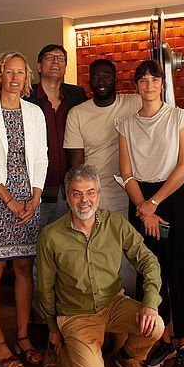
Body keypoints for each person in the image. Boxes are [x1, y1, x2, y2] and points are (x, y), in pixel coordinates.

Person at [36, 165, 164, 367]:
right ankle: (65, 353)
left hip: (113, 304)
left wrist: (150, 303)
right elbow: (45, 288)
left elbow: (149, 261)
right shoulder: (51, 236)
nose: (84, 200)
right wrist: (54, 329)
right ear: (67, 196)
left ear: (99, 195)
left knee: (156, 325)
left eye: (91, 192)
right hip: (76, 315)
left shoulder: (115, 223)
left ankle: (128, 357)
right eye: (77, 193)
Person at [116, 60, 184, 367]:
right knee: (150, 273)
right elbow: (126, 173)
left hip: (176, 198)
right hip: (141, 199)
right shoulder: (125, 124)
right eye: (143, 80)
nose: (149, 84)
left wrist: (154, 203)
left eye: (154, 79)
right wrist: (143, 206)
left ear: (161, 84)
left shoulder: (179, 117)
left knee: (183, 273)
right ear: (136, 86)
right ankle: (161, 339)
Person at [0, 50, 48, 367]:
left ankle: (23, 336)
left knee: (23, 270)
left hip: (28, 202)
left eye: (21, 73)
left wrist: (35, 198)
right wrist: (9, 199)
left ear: (27, 78)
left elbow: (41, 156)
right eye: (9, 72)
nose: (15, 78)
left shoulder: (34, 113)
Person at [64, 58, 142, 294]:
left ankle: (125, 315)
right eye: (96, 76)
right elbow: (76, 167)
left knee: (127, 258)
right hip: (94, 197)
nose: (101, 81)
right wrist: (80, 200)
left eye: (107, 75)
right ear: (89, 81)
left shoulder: (134, 103)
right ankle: (98, 314)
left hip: (131, 194)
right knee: (95, 255)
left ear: (116, 79)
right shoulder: (77, 114)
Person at [26, 43, 87, 227]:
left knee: (64, 247)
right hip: (35, 191)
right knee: (35, 248)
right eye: (49, 57)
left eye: (60, 59)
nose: (55, 62)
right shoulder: (26, 96)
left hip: (68, 190)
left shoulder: (76, 95)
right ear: (38, 66)